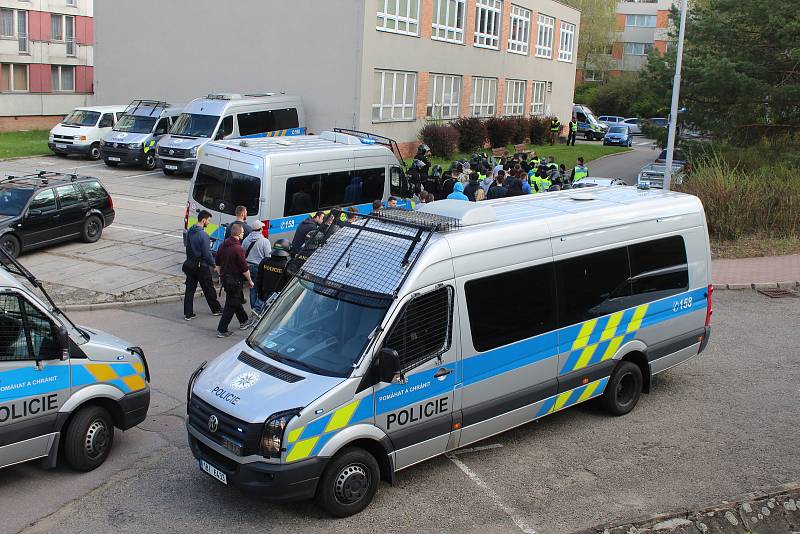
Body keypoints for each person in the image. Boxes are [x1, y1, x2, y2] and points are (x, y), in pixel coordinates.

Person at [215, 224, 256, 338]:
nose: (243, 233)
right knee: (231, 305)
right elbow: (244, 268)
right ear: (238, 233)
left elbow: (217, 263)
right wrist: (250, 281)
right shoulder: (238, 249)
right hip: (235, 281)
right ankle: (222, 330)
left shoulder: (223, 245)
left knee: (235, 299)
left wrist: (221, 275)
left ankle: (244, 321)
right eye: (242, 232)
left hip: (226, 280)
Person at [182, 210, 222, 321]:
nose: (209, 223)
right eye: (208, 220)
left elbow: (188, 247)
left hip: (190, 264)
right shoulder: (203, 235)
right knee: (208, 288)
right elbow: (207, 253)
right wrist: (214, 265)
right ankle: (216, 309)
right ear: (203, 220)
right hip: (202, 266)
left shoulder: (190, 231)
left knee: (190, 289)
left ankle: (188, 313)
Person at [241, 220, 271, 314]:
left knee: (252, 288)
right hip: (259, 268)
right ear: (261, 229)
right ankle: (257, 310)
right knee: (262, 289)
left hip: (248, 267)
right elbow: (268, 257)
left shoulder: (246, 239)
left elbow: (242, 252)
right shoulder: (265, 241)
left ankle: (253, 308)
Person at [256, 239, 292, 309]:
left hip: (266, 296)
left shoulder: (264, 261)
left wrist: (260, 295)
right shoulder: (287, 266)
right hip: (280, 299)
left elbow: (259, 280)